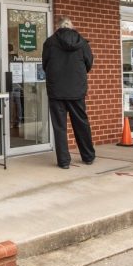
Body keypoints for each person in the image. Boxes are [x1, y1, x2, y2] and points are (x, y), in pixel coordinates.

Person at [42, 16, 95, 169]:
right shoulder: (82, 42)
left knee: (60, 126)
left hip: (56, 89)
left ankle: (64, 161)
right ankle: (88, 156)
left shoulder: (50, 42)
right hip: (77, 89)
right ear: (71, 26)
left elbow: (45, 64)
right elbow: (88, 64)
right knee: (81, 123)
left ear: (58, 27)